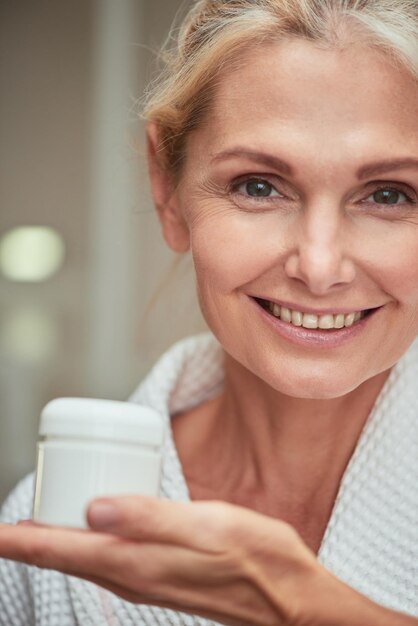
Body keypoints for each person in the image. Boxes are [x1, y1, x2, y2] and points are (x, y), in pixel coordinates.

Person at [0, 0, 418, 624]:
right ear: (167, 189)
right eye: (257, 186)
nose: (320, 265)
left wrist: (306, 608)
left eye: (389, 195)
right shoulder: (50, 522)